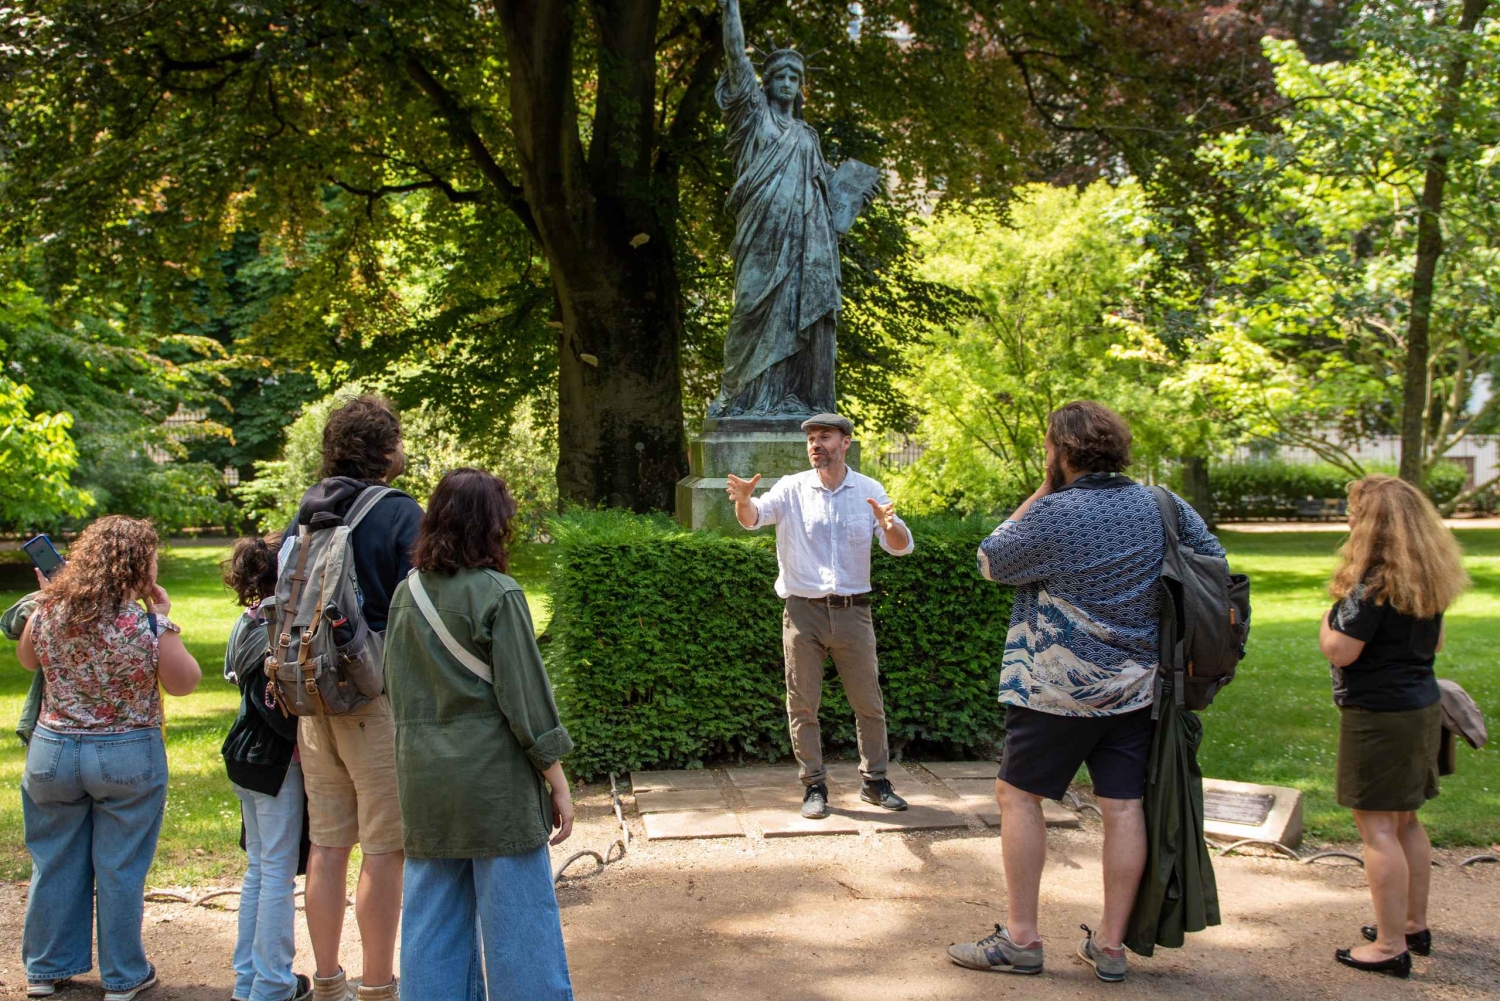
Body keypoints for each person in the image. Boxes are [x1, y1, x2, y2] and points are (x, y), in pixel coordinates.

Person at [947, 401, 1224, 983]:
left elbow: (991, 559)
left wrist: (1043, 488)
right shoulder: (1163, 505)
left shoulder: (1056, 513)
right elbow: (1213, 564)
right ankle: (1112, 946)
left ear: (1061, 451)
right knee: (1123, 807)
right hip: (1138, 687)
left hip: (1054, 690)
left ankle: (1021, 939)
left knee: (1019, 797)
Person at [383, 468, 576, 1000]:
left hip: (423, 780)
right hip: (494, 786)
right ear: (493, 523)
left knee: (430, 925)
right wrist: (558, 781)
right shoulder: (499, 594)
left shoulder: (405, 594)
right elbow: (527, 701)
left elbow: (394, 688)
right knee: (520, 927)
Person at [14, 516, 202, 1000]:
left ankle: (45, 969)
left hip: (53, 751)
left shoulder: (50, 611)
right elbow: (184, 683)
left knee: (53, 860)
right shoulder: (146, 624)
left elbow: (28, 660)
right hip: (126, 755)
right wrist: (164, 617)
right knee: (120, 867)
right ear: (138, 569)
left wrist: (48, 599)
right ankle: (123, 976)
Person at [286, 395, 423, 1001]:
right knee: (385, 848)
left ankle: (327, 979)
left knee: (328, 843)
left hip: (313, 695)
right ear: (384, 449)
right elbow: (421, 605)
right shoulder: (398, 512)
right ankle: (378, 984)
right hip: (373, 699)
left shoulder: (309, 512)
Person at [726, 413, 914, 819]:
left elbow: (900, 546)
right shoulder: (791, 487)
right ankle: (813, 785)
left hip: (853, 613)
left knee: (868, 703)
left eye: (825, 437)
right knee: (802, 705)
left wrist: (889, 525)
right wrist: (743, 501)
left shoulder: (868, 490)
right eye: (811, 438)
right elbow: (754, 518)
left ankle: (875, 782)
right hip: (802, 613)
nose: (816, 444)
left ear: (845, 443)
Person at [1319, 475, 1467, 979]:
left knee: (1378, 827)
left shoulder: (1371, 585)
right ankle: (1411, 925)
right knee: (1406, 821)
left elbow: (1341, 650)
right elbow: (1437, 643)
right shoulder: (1424, 577)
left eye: (1353, 511)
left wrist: (1326, 620)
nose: (1348, 519)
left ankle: (1388, 947)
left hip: (1380, 716)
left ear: (1372, 523)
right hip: (1422, 707)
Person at [221, 535, 311, 1001]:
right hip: (275, 761)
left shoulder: (246, 621)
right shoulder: (279, 628)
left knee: (259, 869)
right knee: (276, 871)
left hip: (244, 755)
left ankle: (249, 979)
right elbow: (278, 707)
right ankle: (273, 982)